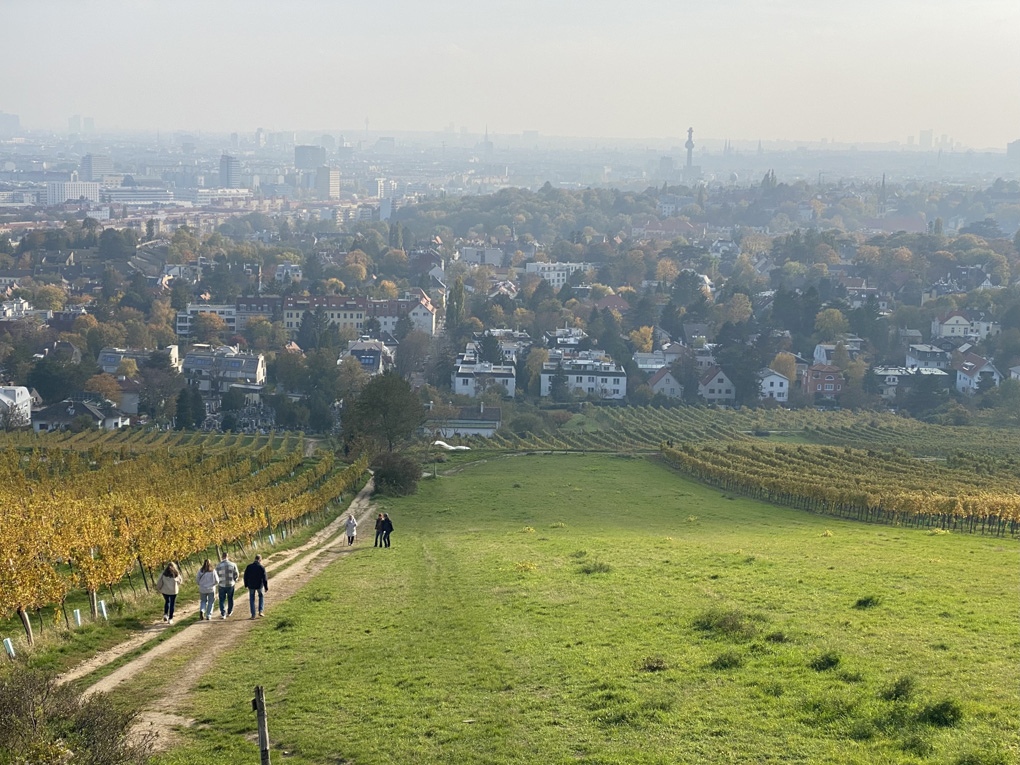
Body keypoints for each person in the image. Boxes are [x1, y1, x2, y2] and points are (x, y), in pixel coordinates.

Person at [243, 554, 269, 619]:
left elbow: (245, 576)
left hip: (251, 585)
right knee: (261, 596)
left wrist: (246, 584)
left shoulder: (249, 567)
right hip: (259, 585)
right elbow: (264, 578)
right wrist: (266, 587)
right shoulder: (261, 567)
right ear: (260, 559)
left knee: (252, 599)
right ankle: (260, 611)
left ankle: (253, 614)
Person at [216, 552, 240, 619]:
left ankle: (223, 613)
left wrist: (218, 582)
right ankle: (229, 611)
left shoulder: (218, 566)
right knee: (230, 598)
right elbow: (237, 574)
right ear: (228, 556)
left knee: (221, 600)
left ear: (222, 557)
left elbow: (216, 576)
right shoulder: (233, 564)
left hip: (221, 585)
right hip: (230, 584)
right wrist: (234, 580)